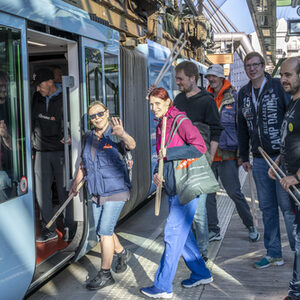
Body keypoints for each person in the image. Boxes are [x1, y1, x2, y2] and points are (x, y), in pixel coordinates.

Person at [140, 87, 212, 299]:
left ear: (168, 102)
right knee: (184, 237)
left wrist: (169, 153)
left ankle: (162, 286)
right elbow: (161, 157)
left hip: (186, 186)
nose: (154, 109)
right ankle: (201, 273)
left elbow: (199, 147)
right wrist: (156, 173)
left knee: (172, 233)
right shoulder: (162, 122)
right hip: (173, 186)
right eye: (151, 105)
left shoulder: (180, 120)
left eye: (157, 105)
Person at [237, 52, 295, 269]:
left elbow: (292, 117)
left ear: (263, 66)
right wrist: (244, 155)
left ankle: (297, 252)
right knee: (267, 208)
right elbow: (241, 126)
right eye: (248, 66)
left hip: (283, 158)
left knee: (287, 208)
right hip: (260, 159)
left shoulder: (279, 86)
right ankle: (273, 253)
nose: (252, 69)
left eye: (255, 65)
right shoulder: (243, 93)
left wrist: (286, 152)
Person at [70, 101, 135, 290]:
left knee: (104, 232)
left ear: (107, 113)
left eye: (100, 113)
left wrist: (122, 134)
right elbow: (83, 164)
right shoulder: (89, 137)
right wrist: (75, 184)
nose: (97, 118)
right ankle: (122, 253)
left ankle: (105, 274)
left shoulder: (115, 133)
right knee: (102, 230)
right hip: (97, 191)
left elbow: (132, 144)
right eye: (93, 116)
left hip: (116, 190)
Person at [173, 61, 223, 260]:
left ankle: (201, 252)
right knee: (184, 209)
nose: (178, 83)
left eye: (180, 79)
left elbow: (215, 131)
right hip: (181, 162)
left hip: (200, 161)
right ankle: (189, 247)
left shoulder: (207, 101)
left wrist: (209, 159)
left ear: (193, 78)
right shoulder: (178, 100)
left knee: (199, 212)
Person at [205, 64, 260, 242]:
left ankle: (250, 224)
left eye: (213, 76)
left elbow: (242, 127)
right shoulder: (205, 98)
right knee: (209, 194)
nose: (210, 80)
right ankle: (214, 229)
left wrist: (241, 154)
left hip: (228, 154)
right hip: (209, 156)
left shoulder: (235, 98)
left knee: (234, 192)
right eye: (208, 77)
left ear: (222, 78)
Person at [268, 57, 300, 300]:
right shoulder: (292, 104)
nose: (283, 79)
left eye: (288, 75)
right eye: (282, 75)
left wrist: (296, 176)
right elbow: (290, 140)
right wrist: (279, 161)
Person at [32, 68, 74, 243]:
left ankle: (70, 227)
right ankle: (49, 229)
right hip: (41, 152)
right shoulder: (37, 98)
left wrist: (71, 136)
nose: (38, 89)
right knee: (42, 194)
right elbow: (32, 121)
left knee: (65, 191)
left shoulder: (65, 97)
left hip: (60, 151)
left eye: (40, 85)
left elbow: (74, 122)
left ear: (50, 82)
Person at [0, 71, 12, 202]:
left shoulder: (15, 105)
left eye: (5, 85)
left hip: (14, 162)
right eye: (0, 86)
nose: (3, 89)